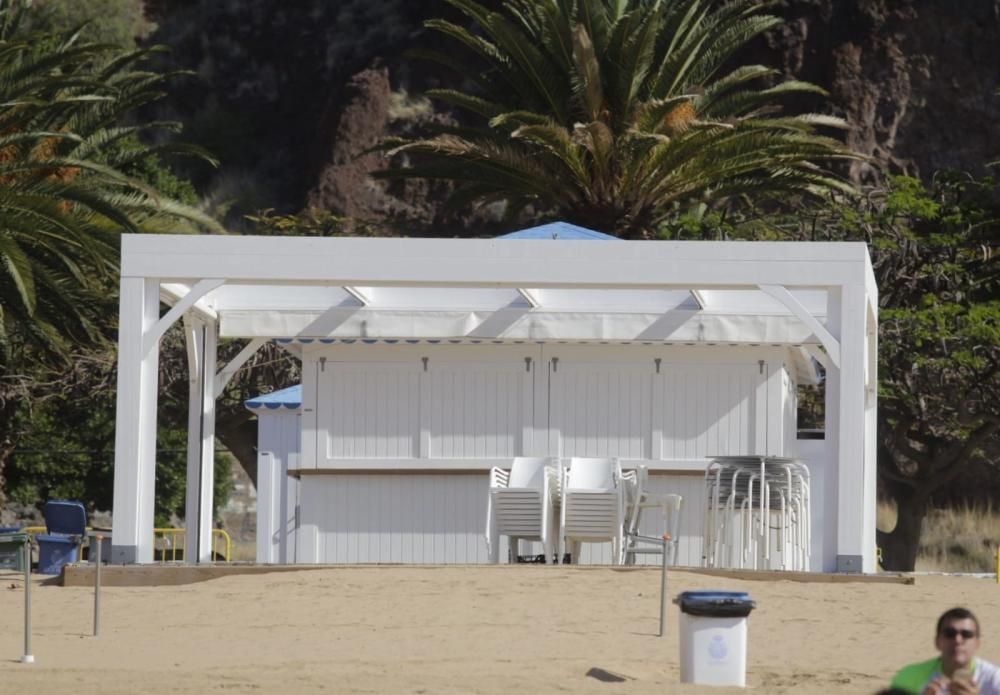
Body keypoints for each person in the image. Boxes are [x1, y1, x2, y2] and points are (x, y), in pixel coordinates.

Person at [891, 607, 1000, 694]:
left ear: (977, 643)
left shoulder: (994, 679)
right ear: (937, 641)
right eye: (950, 634)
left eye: (966, 634)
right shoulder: (910, 677)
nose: (958, 640)